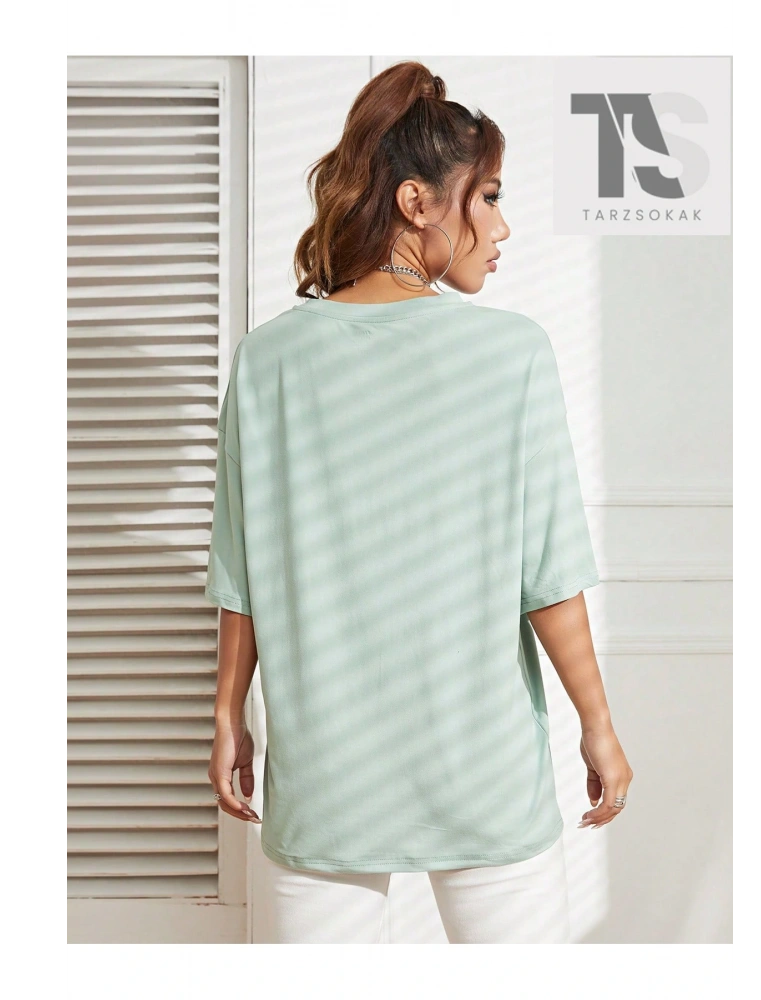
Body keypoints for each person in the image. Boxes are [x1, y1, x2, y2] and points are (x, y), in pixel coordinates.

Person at [205, 60, 633, 944]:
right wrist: (598, 724)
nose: (502, 226)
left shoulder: (267, 360)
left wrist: (227, 717)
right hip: (482, 770)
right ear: (417, 203)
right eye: (489, 198)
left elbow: (242, 570)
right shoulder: (512, 353)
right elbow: (548, 572)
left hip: (326, 771)